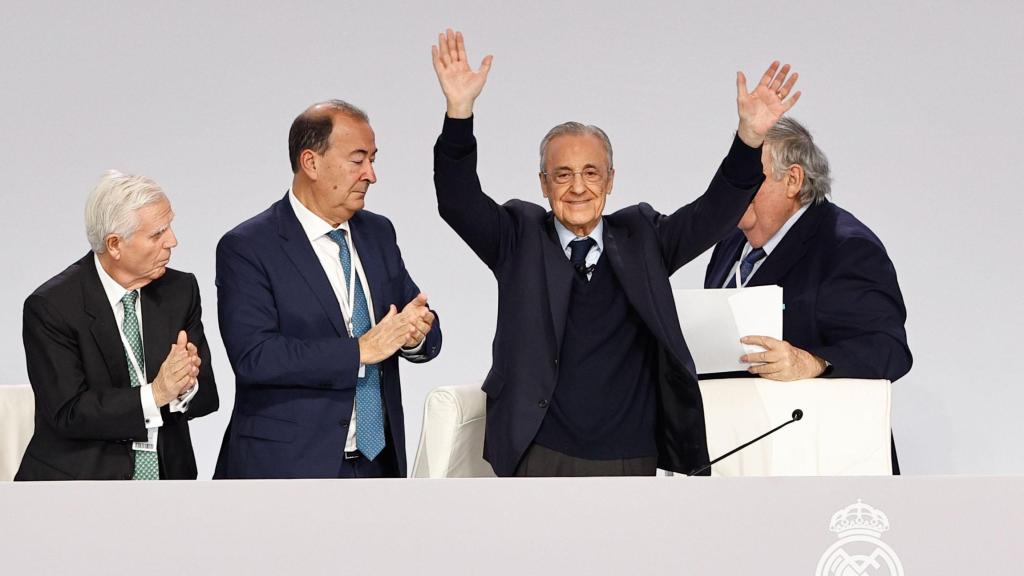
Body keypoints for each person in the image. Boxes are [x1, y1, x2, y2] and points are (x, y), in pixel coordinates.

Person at [431, 29, 800, 477]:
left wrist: (749, 139)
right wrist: (459, 112)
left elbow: (712, 214)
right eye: (562, 174)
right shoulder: (518, 237)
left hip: (630, 452)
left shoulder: (642, 236)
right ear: (543, 184)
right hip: (538, 450)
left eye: (591, 173)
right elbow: (457, 200)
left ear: (610, 180)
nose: (578, 187)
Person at [214, 100, 441, 479]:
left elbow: (413, 313)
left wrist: (415, 334)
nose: (371, 175)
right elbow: (256, 357)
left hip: (377, 465)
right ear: (311, 163)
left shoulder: (378, 233)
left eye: (373, 160)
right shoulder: (248, 246)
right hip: (288, 468)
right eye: (358, 160)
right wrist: (359, 351)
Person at [703, 118, 912, 473]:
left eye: (748, 176)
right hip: (740, 460)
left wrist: (811, 362)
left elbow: (888, 349)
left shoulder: (846, 246)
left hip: (822, 463)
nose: (734, 188)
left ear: (793, 179)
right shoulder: (729, 244)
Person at [17, 170, 217, 481]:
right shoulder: (52, 307)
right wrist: (155, 394)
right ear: (114, 245)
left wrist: (185, 384)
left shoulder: (180, 291)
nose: (172, 241)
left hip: (169, 483)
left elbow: (206, 395)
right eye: (157, 234)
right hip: (79, 483)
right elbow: (68, 412)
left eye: (170, 226)